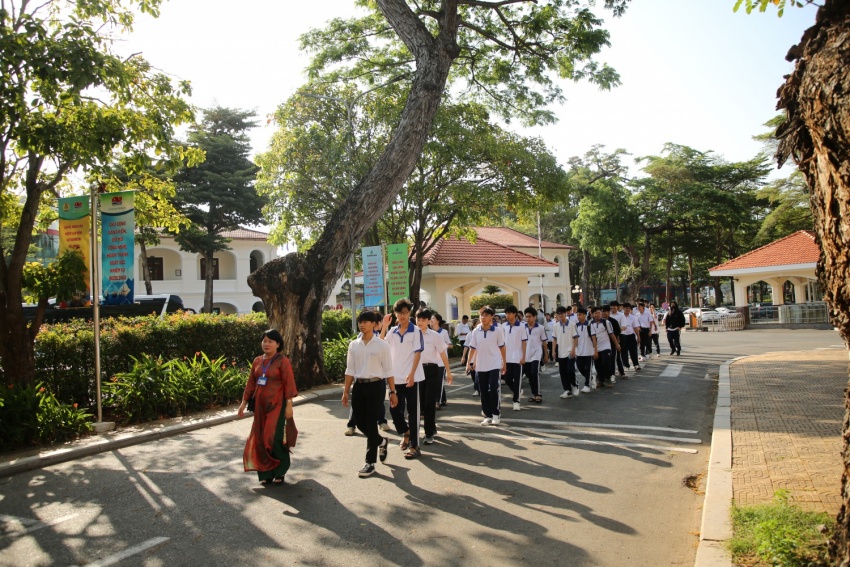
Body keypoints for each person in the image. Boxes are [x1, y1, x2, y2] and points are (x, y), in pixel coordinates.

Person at [342, 311, 398, 478]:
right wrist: (345, 391)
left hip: (376, 386)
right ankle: (381, 441)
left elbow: (388, 371)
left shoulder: (382, 345)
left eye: (366, 321)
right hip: (359, 386)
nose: (362, 324)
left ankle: (370, 462)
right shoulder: (354, 345)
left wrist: (393, 392)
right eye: (360, 321)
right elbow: (350, 370)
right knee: (359, 423)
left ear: (374, 324)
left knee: (371, 423)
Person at [239, 329, 298, 486]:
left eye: (270, 341)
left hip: (277, 406)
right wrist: (243, 402)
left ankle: (280, 470)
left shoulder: (282, 361)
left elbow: (289, 383)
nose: (266, 344)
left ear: (278, 344)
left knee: (272, 438)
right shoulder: (257, 361)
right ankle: (265, 472)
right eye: (264, 340)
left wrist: (289, 405)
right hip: (260, 406)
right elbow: (251, 383)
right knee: (259, 438)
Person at [382, 298, 425, 459]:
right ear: (395, 314)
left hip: (412, 378)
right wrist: (385, 327)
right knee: (394, 409)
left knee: (413, 412)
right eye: (399, 312)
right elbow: (381, 346)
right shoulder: (392, 332)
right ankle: (405, 432)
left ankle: (414, 445)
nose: (402, 315)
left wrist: (412, 373)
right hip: (395, 378)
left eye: (405, 312)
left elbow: (417, 353)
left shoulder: (416, 331)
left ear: (410, 313)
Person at [417, 309, 453, 444]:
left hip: (431, 370)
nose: (420, 322)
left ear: (428, 321)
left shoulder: (435, 336)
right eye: (418, 320)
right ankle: (430, 428)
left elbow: (443, 354)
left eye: (423, 320)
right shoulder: (413, 334)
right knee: (419, 403)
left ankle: (429, 433)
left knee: (429, 402)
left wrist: (448, 372)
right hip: (416, 371)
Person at [466, 305, 506, 425]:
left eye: (486, 315)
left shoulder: (497, 331)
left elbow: (502, 347)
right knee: (483, 391)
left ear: (492, 317)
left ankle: (496, 414)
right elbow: (472, 348)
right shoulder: (475, 331)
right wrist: (469, 363)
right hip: (481, 366)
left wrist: (504, 362)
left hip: (494, 364)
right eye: (482, 315)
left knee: (493, 389)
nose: (483, 317)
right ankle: (488, 415)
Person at [501, 305, 528, 411]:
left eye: (509, 313)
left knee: (517, 380)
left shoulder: (522, 326)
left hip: (517, 358)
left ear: (515, 314)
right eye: (506, 313)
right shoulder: (503, 326)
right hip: (506, 358)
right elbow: (501, 343)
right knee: (507, 379)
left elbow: (524, 342)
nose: (507, 315)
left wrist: (523, 356)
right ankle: (517, 390)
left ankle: (516, 401)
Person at [552, 305, 579, 398]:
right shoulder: (555, 325)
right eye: (558, 314)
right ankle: (567, 390)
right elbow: (554, 339)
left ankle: (575, 385)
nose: (560, 315)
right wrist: (553, 351)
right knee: (562, 372)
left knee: (570, 370)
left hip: (570, 351)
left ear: (565, 313)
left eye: (562, 313)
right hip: (560, 352)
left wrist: (573, 349)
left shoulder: (572, 324)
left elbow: (575, 338)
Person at [523, 306, 548, 403]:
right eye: (526, 317)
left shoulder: (540, 328)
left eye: (529, 316)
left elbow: (544, 342)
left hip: (536, 354)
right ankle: (534, 394)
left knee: (534, 373)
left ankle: (538, 394)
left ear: (535, 317)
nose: (528, 319)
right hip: (525, 355)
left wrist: (546, 355)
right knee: (529, 375)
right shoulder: (522, 327)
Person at [591, 306, 619, 388]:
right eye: (595, 313)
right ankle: (601, 381)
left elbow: (612, 334)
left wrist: (617, 344)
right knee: (598, 365)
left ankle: (608, 378)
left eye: (599, 313)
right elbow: (591, 338)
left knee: (605, 362)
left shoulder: (606, 322)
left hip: (606, 347)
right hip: (596, 348)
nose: (598, 314)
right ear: (592, 314)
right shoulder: (590, 324)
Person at [430, 313, 453, 408]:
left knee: (439, 381)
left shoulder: (444, 332)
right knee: (435, 382)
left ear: (438, 321)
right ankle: (443, 399)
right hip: (432, 361)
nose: (431, 319)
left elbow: (450, 345)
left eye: (433, 318)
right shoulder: (429, 332)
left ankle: (437, 402)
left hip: (442, 361)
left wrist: (441, 345)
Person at [574, 308, 596, 392]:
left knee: (588, 368)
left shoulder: (590, 325)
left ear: (584, 315)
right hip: (579, 351)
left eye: (580, 315)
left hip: (589, 351)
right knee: (580, 367)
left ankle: (587, 385)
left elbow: (594, 339)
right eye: (577, 315)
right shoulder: (576, 326)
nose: (578, 316)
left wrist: (595, 350)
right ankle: (591, 377)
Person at [620, 303, 642, 372]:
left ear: (630, 309)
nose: (627, 309)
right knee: (624, 351)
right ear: (623, 308)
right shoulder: (620, 316)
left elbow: (636, 328)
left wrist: (638, 337)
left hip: (631, 335)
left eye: (629, 308)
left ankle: (636, 364)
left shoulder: (633, 318)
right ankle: (626, 365)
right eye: (626, 308)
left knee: (633, 351)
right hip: (623, 336)